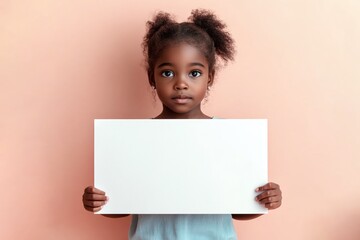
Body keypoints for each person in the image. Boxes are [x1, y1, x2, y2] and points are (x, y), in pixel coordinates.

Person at [82, 9, 282, 239]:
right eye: (167, 73)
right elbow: (122, 203)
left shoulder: (228, 136)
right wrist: (98, 200)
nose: (181, 83)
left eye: (194, 73)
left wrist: (264, 199)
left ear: (210, 77)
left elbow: (238, 209)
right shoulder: (136, 138)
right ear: (152, 78)